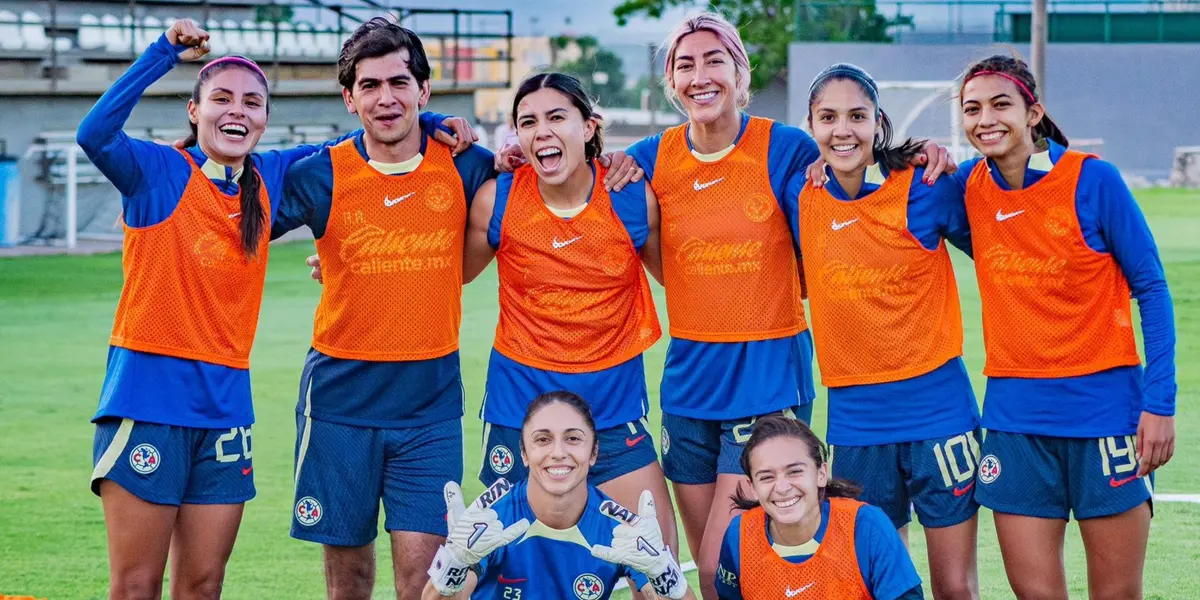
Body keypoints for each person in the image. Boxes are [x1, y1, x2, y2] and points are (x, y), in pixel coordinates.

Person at [75, 19, 474, 600]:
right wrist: (164, 53)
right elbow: (96, 133)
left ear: (264, 119)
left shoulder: (269, 178)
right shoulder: (157, 173)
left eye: (252, 102)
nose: (237, 111)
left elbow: (372, 140)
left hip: (227, 407)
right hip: (148, 394)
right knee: (136, 586)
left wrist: (435, 124)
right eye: (221, 99)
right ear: (194, 110)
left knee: (205, 584)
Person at [616, 13, 952, 597]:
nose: (700, 75)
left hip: (768, 376)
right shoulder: (651, 156)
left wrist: (911, 154)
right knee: (708, 564)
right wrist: (513, 145)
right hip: (689, 382)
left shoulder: (785, 147)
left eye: (714, 60)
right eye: (685, 64)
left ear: (740, 73)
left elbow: (847, 191)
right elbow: (577, 171)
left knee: (729, 552)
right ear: (670, 81)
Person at [271, 17, 496, 600]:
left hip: (430, 402)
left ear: (424, 90)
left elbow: (543, 171)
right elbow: (234, 222)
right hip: (340, 398)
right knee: (348, 577)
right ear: (349, 98)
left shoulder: (467, 163)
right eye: (369, 86)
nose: (385, 97)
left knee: (425, 579)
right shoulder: (318, 175)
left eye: (400, 83)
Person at [955, 55, 1177, 599]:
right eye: (972, 108)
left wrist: (1161, 402)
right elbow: (891, 195)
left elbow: (1151, 287)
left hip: (1105, 414)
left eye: (1001, 104)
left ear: (1035, 113)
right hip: (1014, 422)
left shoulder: (1093, 179)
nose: (986, 118)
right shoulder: (966, 187)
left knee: (1116, 594)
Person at [463, 71, 680, 583]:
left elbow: (686, 281)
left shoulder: (630, 197)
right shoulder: (498, 200)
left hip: (613, 409)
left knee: (657, 565)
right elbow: (439, 274)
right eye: (528, 122)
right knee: (491, 569)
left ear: (589, 126)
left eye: (557, 117)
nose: (542, 132)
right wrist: (338, 260)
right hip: (522, 410)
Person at [791, 64, 980, 599]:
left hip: (939, 411)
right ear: (811, 125)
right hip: (856, 424)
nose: (842, 130)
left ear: (878, 123)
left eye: (857, 116)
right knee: (871, 585)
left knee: (953, 587)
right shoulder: (801, 195)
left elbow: (999, 247)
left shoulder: (924, 187)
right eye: (828, 118)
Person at [422, 391, 696, 600]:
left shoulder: (620, 529)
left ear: (594, 453)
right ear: (524, 454)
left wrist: (663, 572)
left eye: (573, 439)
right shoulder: (492, 522)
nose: (558, 452)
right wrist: (454, 562)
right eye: (542, 439)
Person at [715, 415, 924, 600]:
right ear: (752, 487)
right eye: (767, 477)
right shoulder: (739, 536)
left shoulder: (867, 528)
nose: (782, 487)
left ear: (821, 474)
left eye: (795, 471)